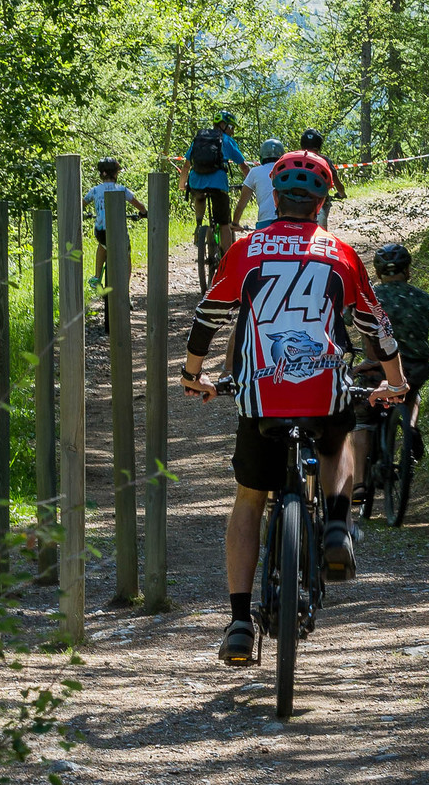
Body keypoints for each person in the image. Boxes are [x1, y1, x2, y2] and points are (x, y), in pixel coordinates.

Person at [181, 150, 408, 665]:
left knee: (248, 500)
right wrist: (394, 382)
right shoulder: (341, 253)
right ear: (321, 203)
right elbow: (376, 326)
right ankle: (336, 524)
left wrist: (193, 374)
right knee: (338, 437)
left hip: (261, 394)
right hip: (322, 388)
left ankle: (240, 622)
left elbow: (208, 316)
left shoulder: (246, 249)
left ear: (275, 198)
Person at [354, 241, 429, 481]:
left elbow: (347, 318)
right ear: (408, 270)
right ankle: (410, 428)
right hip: (414, 369)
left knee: (362, 419)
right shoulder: (421, 298)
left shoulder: (368, 298)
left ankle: (358, 484)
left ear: (378, 273)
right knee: (411, 394)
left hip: (377, 371)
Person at [174, 110, 247, 255]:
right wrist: (253, 183)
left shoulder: (199, 139)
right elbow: (243, 166)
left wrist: (182, 184)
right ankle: (227, 258)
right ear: (223, 125)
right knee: (224, 223)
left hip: (196, 182)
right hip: (218, 184)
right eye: (231, 127)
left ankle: (199, 225)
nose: (233, 131)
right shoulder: (227, 141)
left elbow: (186, 165)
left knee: (199, 195)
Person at [85, 158, 146, 301]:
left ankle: (97, 277)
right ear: (115, 174)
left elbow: (82, 203)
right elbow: (139, 205)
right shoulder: (122, 189)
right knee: (127, 256)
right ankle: (125, 291)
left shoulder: (95, 190)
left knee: (102, 246)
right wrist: (143, 212)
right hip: (119, 233)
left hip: (101, 232)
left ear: (101, 174)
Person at [233, 138, 285, 230]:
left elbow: (242, 203)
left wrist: (235, 223)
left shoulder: (254, 172)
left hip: (265, 223)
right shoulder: (287, 171)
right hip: (286, 222)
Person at [299, 128, 346, 224]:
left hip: (295, 201)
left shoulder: (295, 158)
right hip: (318, 202)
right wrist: (342, 193)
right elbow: (336, 181)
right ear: (319, 144)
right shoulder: (324, 160)